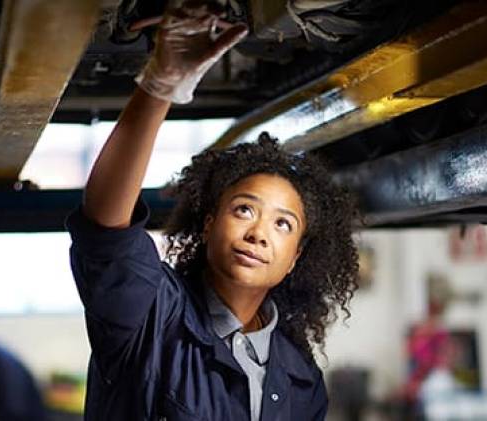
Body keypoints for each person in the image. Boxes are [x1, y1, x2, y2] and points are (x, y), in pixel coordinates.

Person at [65, 2, 359, 420]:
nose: (259, 233)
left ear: (295, 257)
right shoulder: (152, 314)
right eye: (244, 210)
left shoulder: (301, 380)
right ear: (208, 225)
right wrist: (160, 85)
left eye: (282, 223)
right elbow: (106, 228)